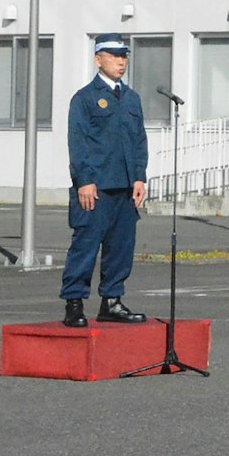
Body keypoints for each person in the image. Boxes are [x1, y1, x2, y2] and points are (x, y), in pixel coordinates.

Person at [59, 34, 149, 328]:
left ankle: (112, 300)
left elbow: (139, 141)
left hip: (124, 187)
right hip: (95, 187)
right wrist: (84, 180)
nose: (121, 62)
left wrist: (139, 176)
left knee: (121, 247)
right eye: (113, 56)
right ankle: (74, 302)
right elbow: (78, 141)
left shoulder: (131, 98)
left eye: (124, 56)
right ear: (98, 60)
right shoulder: (85, 98)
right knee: (86, 246)